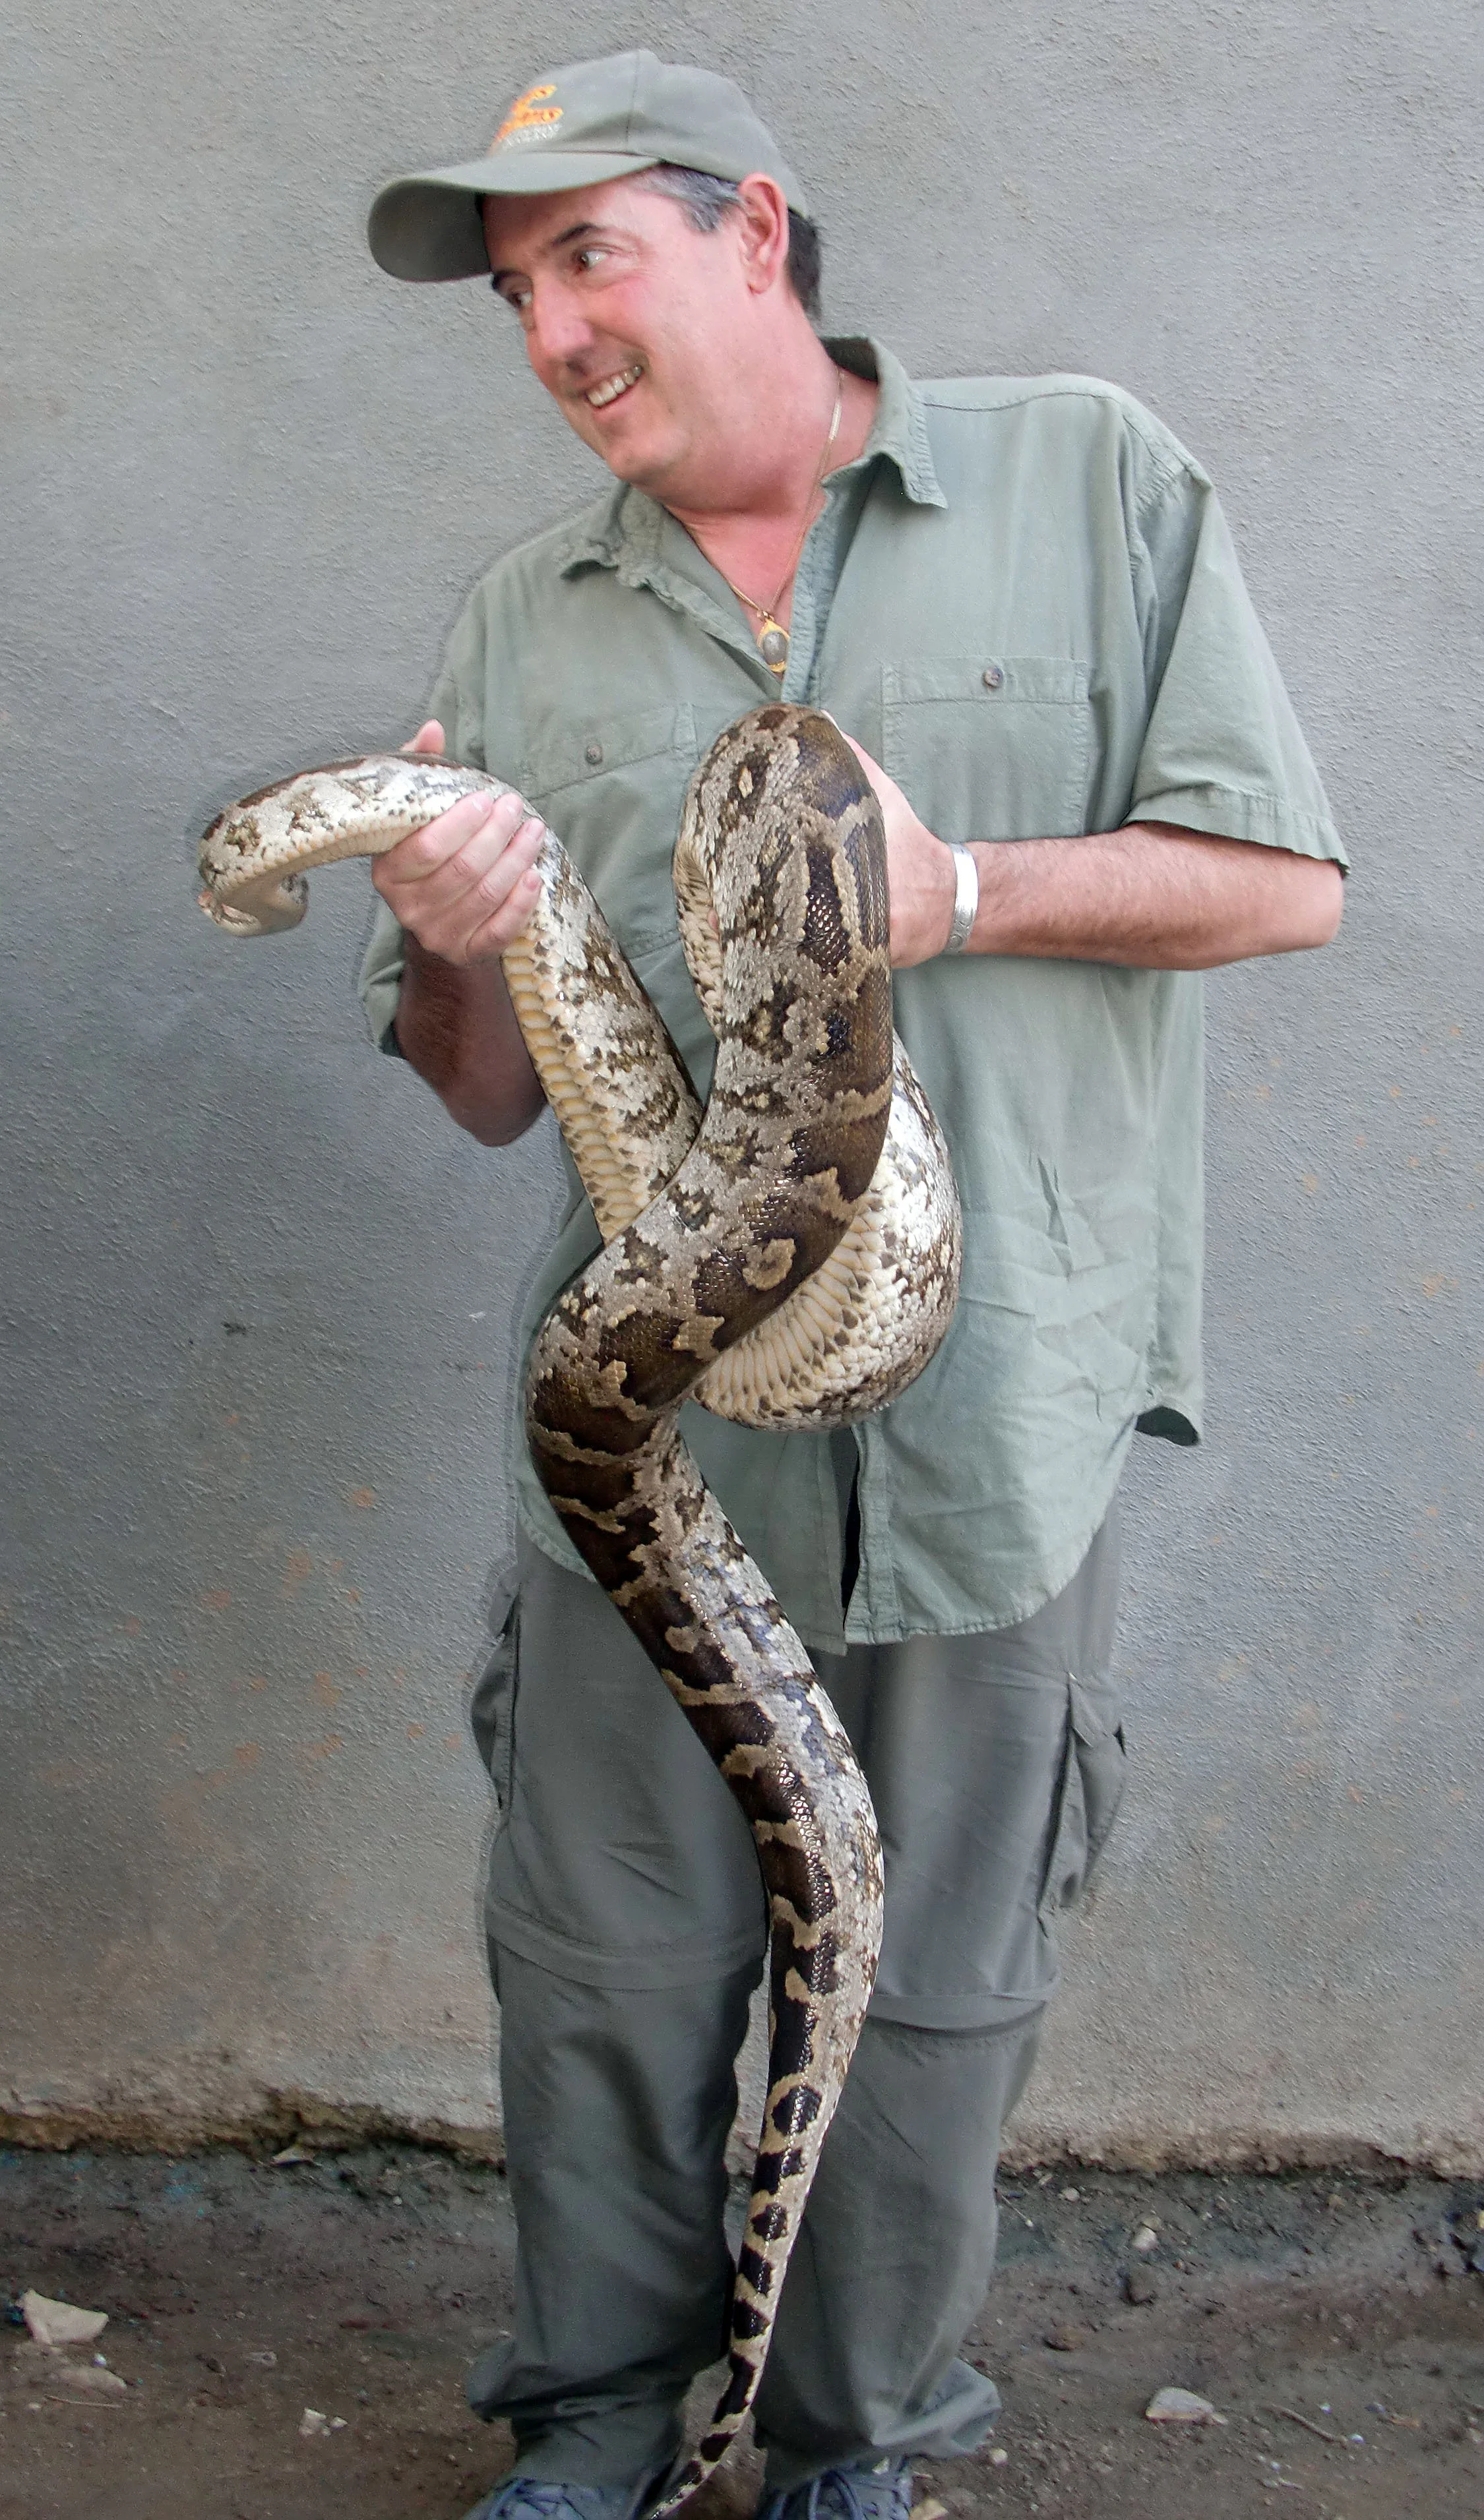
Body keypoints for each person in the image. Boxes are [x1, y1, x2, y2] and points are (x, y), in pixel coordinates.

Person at [359, 49, 1345, 2520]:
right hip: (649, 1438)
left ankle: (858, 2442)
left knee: (931, 1991)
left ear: (758, 237)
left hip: (994, 1427)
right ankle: (593, 2435)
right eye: (515, 293)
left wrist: (963, 894)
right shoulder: (523, 615)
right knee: (600, 1967)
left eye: (595, 254)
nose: (556, 330)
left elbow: (1281, 883)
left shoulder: (1093, 478)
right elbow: (490, 1095)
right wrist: (449, 949)